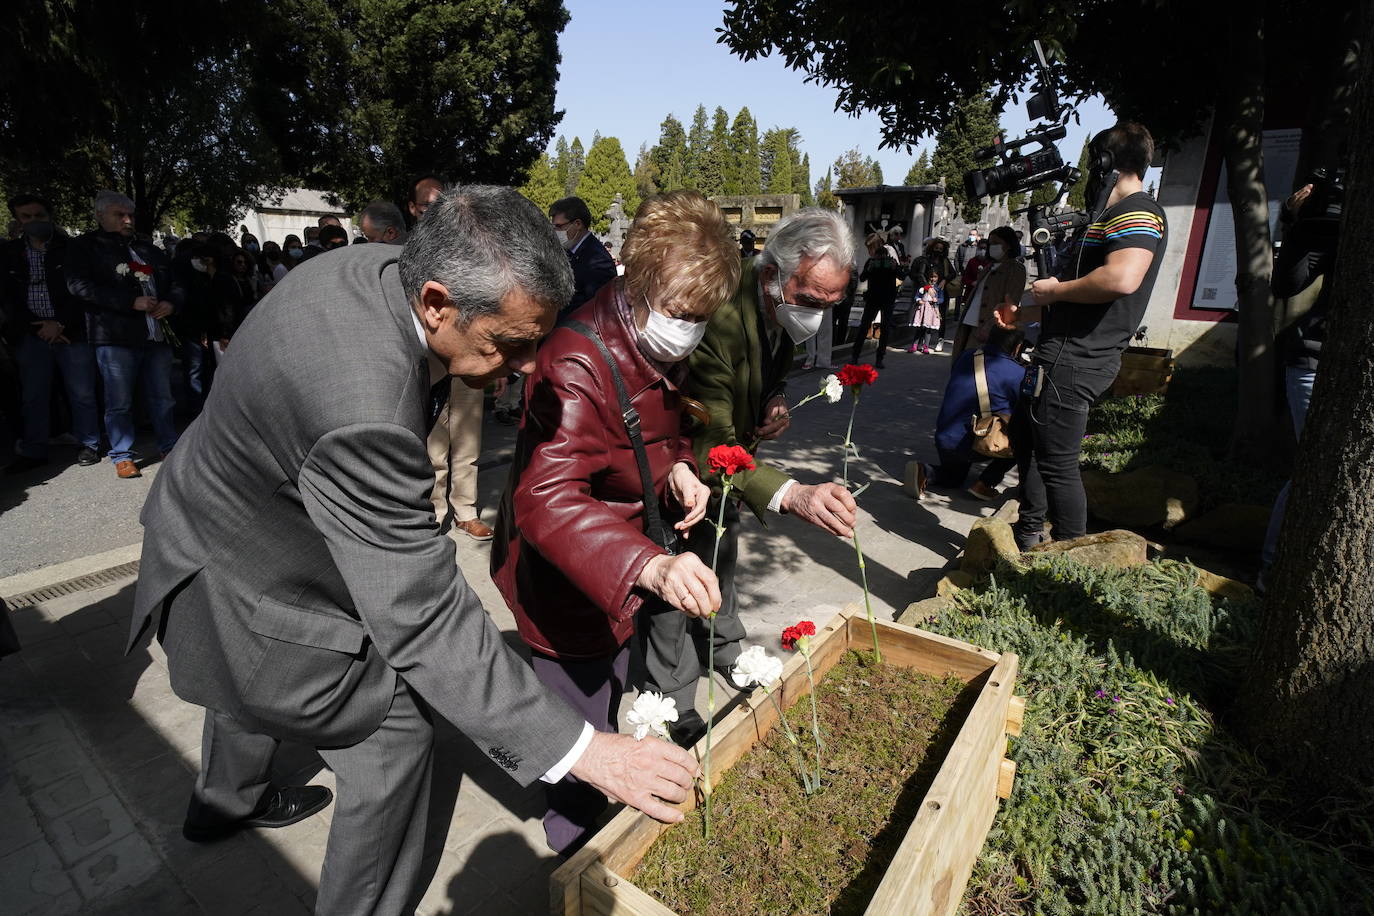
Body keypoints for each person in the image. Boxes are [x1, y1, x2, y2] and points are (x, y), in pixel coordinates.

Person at [126, 185, 700, 914]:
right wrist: (585, 750)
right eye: (512, 343)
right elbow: (422, 612)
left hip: (232, 520)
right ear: (436, 302)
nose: (527, 367)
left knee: (251, 678)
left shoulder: (379, 270)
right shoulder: (359, 404)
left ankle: (222, 798)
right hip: (244, 567)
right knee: (394, 735)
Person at [492, 189, 735, 855]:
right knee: (580, 726)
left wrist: (681, 465)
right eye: (682, 313)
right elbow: (546, 499)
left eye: (701, 317)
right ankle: (575, 852)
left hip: (618, 568)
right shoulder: (575, 359)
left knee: (614, 690)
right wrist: (649, 565)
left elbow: (665, 428)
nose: (689, 329)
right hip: (568, 575)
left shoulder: (659, 340)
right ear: (640, 284)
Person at [645, 207, 860, 741]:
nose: (818, 316)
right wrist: (791, 494)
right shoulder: (717, 314)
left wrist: (777, 399)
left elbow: (773, 367)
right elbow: (709, 435)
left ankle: (722, 644)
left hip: (734, 453)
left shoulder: (783, 309)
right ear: (772, 274)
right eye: (812, 301)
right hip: (682, 459)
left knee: (724, 550)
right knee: (679, 570)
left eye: (832, 305)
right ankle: (673, 695)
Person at [998, 122, 1168, 550]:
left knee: (1057, 464)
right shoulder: (1108, 215)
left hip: (1076, 362)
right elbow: (1080, 289)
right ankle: (1030, 530)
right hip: (1059, 355)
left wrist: (1055, 291)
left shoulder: (1138, 210)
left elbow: (1122, 278)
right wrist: (1029, 312)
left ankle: (1073, 557)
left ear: (1106, 161)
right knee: (1027, 439)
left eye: (1094, 161)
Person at [1259, 172, 1341, 589]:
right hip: (1316, 360)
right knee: (1316, 470)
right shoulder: (1336, 220)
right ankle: (1273, 576)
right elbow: (1288, 282)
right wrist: (1299, 222)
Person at [66, 190, 183, 479]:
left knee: (162, 396)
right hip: (115, 336)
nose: (127, 220)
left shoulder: (149, 248)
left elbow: (176, 282)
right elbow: (79, 287)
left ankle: (170, 446)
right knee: (119, 400)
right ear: (100, 215)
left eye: (130, 214)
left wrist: (171, 302)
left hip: (156, 333)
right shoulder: (85, 248)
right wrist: (129, 301)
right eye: (120, 215)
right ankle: (122, 454)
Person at [493, 196, 617, 425]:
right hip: (552, 342)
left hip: (572, 350)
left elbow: (587, 311)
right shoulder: (568, 253)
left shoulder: (596, 260)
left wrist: (543, 323)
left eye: (559, 226)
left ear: (577, 224)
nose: (555, 231)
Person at [1, 194, 100, 473]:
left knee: (81, 391)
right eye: (26, 217)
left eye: (39, 216)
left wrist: (61, 324)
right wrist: (36, 327)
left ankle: (88, 443)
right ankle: (35, 448)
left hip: (70, 331)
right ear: (18, 220)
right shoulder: (9, 254)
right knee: (34, 394)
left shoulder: (72, 249)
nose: (33, 222)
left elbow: (80, 291)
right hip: (32, 334)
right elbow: (8, 298)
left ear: (50, 215)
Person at [915, 325, 1026, 500]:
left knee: (953, 479)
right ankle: (986, 483)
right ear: (1018, 347)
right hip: (976, 442)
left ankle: (925, 471)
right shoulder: (1018, 374)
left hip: (945, 439)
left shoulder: (967, 356)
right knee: (1023, 440)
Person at [952, 226, 1027, 356]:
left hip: (988, 328)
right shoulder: (989, 266)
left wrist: (990, 326)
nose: (992, 247)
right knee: (963, 363)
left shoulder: (1015, 269)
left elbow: (1011, 301)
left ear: (1008, 245)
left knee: (977, 368)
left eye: (997, 243)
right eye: (990, 244)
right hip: (969, 323)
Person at [850, 231, 903, 368]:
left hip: (887, 298)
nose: (879, 258)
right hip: (874, 298)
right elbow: (862, 278)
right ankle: (855, 355)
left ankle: (879, 357)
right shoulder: (871, 262)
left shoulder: (890, 261)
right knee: (864, 327)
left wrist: (894, 267)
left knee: (884, 329)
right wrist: (869, 268)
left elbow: (902, 275)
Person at [907, 269, 945, 355]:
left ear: (938, 278)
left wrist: (937, 300)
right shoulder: (923, 287)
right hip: (922, 310)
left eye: (935, 277)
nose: (933, 279)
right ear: (928, 277)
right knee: (919, 329)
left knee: (928, 330)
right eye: (931, 277)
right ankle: (914, 345)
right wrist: (918, 300)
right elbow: (916, 296)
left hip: (931, 310)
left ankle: (925, 346)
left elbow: (942, 299)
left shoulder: (938, 288)